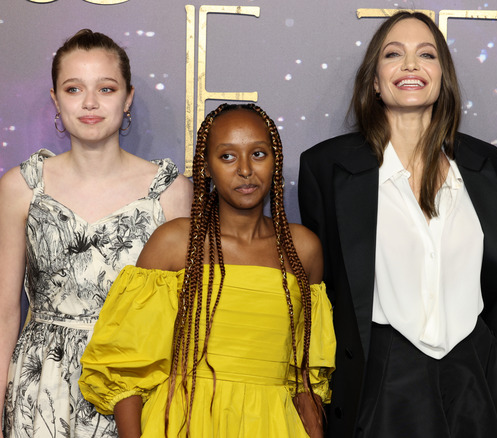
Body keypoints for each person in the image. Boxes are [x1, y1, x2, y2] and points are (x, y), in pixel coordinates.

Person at [298, 11, 497, 438]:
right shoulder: (326, 168)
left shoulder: (483, 166)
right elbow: (323, 290)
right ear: (374, 79)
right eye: (393, 54)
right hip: (382, 380)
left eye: (426, 54)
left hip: (476, 378)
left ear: (443, 77)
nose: (410, 65)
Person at [78, 103, 336, 437]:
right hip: (185, 423)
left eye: (258, 154)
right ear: (207, 167)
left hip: (273, 426)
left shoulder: (303, 249)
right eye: (227, 156)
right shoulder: (174, 242)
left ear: (275, 162)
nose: (245, 169)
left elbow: (306, 376)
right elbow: (126, 367)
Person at [0, 29, 192, 437]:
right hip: (40, 392)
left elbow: (184, 321)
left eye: (106, 88)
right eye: (73, 89)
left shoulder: (171, 193)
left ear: (128, 98)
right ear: (55, 99)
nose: (89, 103)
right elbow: (4, 313)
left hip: (135, 391)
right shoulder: (21, 186)